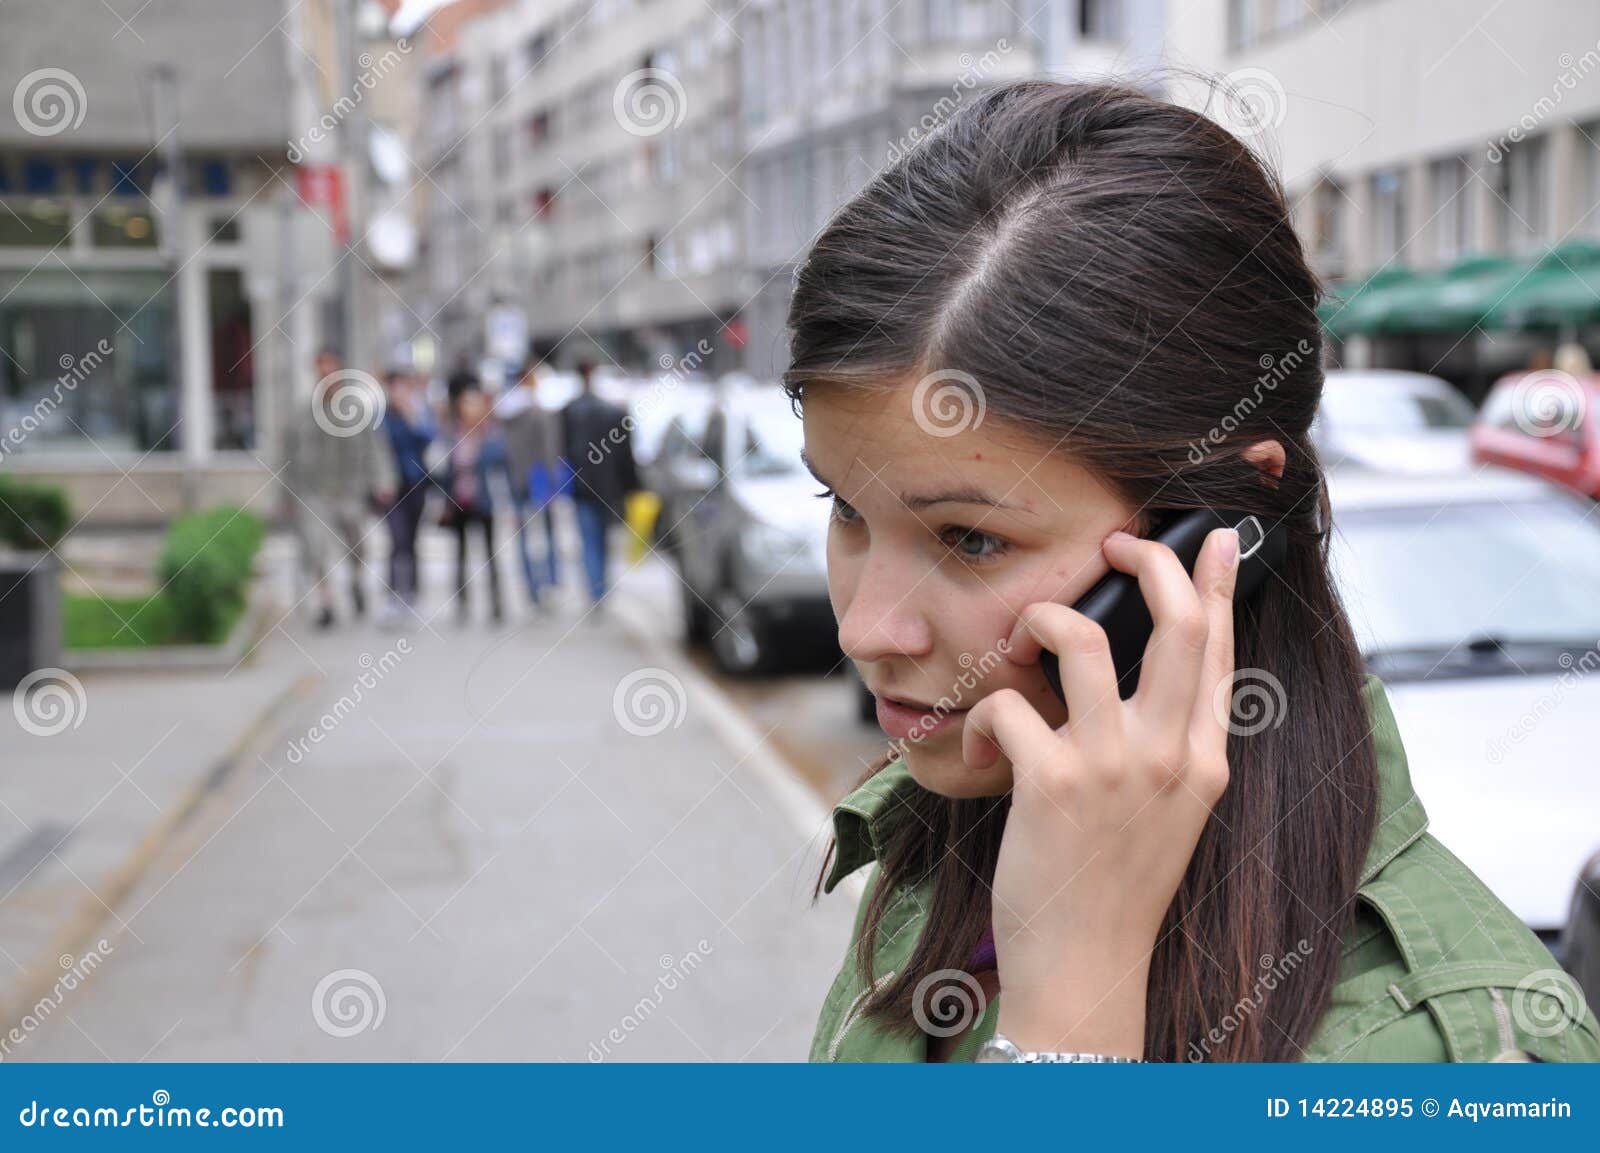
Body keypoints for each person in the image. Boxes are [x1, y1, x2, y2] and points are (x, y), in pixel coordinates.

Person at [793, 82, 1600, 1063]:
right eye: (844, 506)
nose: (865, 628)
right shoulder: (946, 841)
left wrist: (1073, 997)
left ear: (1221, 531)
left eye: (970, 539)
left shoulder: (1463, 1053)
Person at [282, 348, 395, 630]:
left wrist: (383, 480)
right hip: (315, 493)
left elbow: (375, 449)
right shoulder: (302, 415)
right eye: (321, 370)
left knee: (357, 547)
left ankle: (356, 583)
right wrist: (285, 495)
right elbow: (287, 457)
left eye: (331, 369)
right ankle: (327, 603)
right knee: (315, 548)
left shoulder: (356, 411)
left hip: (350, 493)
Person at [559, 361, 640, 613]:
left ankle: (595, 590)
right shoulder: (613, 412)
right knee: (602, 539)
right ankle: (601, 589)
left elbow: (562, 452)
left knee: (589, 540)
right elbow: (626, 456)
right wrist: (631, 487)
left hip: (582, 486)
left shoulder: (570, 411)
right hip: (607, 487)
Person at [496, 357, 564, 610]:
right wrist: (553, 477)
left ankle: (532, 589)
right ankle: (550, 583)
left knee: (523, 536)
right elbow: (549, 449)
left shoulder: (504, 413)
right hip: (540, 478)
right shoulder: (539, 412)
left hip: (516, 479)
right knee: (548, 533)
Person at [436, 387, 507, 624]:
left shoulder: (492, 436)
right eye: (466, 404)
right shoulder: (452, 435)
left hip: (484, 501)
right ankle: (462, 603)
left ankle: (496, 603)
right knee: (460, 554)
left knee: (490, 553)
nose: (470, 409)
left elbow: (500, 468)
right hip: (458, 501)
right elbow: (444, 470)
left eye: (475, 404)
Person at [378, 370, 436, 626]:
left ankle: (412, 593)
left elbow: (429, 438)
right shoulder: (382, 417)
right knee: (396, 539)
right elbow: (376, 448)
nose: (400, 393)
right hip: (391, 487)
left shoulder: (418, 414)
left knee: (412, 541)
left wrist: (413, 417)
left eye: (405, 388)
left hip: (416, 485)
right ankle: (392, 596)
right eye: (396, 388)